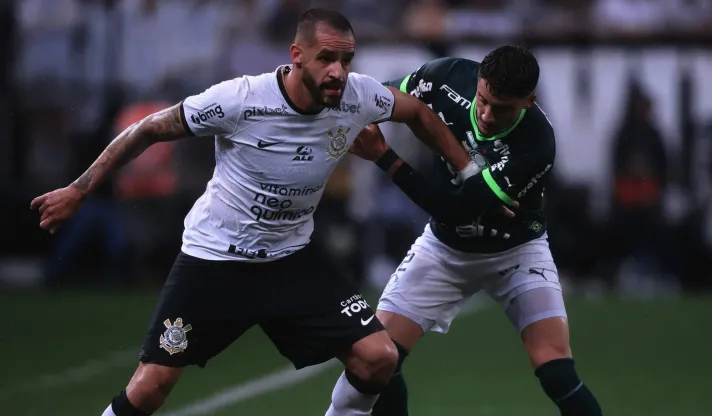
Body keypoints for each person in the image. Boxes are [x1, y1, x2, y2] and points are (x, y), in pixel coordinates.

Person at [30, 9, 482, 416]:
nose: (338, 72)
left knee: (378, 357)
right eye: (326, 58)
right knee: (151, 387)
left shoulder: (358, 96)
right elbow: (148, 129)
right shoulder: (240, 99)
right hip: (216, 261)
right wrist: (78, 189)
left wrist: (468, 171)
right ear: (296, 55)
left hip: (292, 258)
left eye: (346, 60)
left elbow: (419, 112)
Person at [336, 46, 603, 416]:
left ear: (529, 101)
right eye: (484, 100)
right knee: (380, 356)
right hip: (447, 249)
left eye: (503, 108)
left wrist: (384, 156)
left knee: (555, 369)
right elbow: (380, 98)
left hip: (516, 251)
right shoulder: (447, 76)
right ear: (478, 80)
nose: (488, 115)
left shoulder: (536, 145)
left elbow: (455, 208)